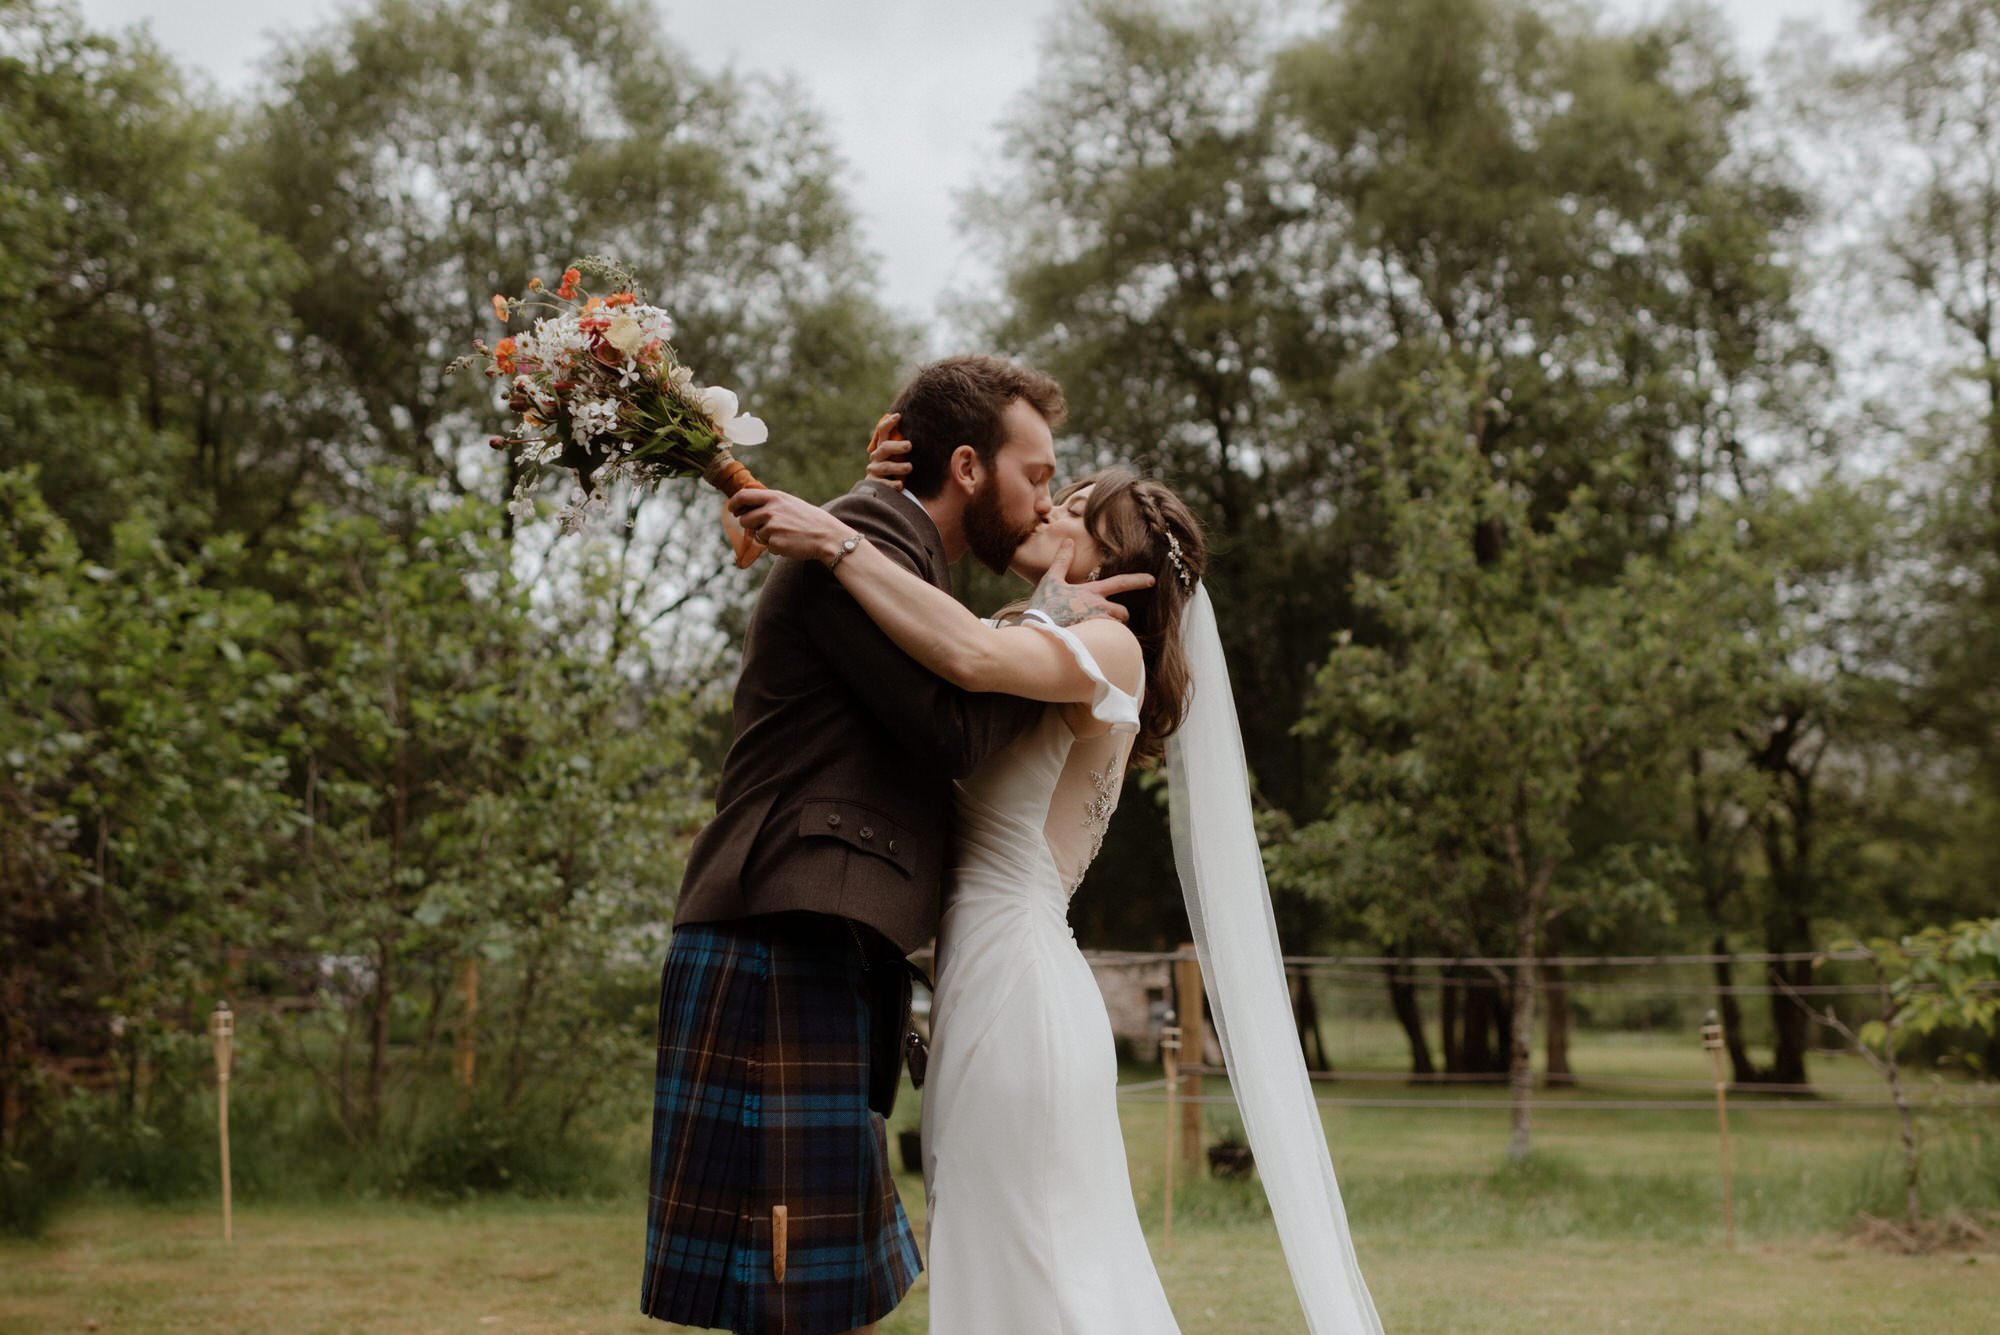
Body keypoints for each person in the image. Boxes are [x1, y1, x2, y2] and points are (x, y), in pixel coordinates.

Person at [731, 444, 1386, 1334]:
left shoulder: (1109, 645)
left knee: (1043, 1273)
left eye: (1076, 508)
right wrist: (876, 494)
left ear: (1116, 561)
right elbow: (920, 657)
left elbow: (958, 654)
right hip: (993, 984)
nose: (1048, 511)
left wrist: (836, 539)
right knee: (1028, 1261)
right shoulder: (1048, 631)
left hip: (1019, 993)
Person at [641, 355, 1148, 1335]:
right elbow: (953, 727)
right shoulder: (873, 531)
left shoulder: (889, 544)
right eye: (1037, 476)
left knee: (824, 1289)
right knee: (794, 1288)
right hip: (780, 929)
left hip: (817, 935)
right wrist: (1054, 628)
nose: (1046, 505)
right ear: (966, 466)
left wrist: (1048, 638)